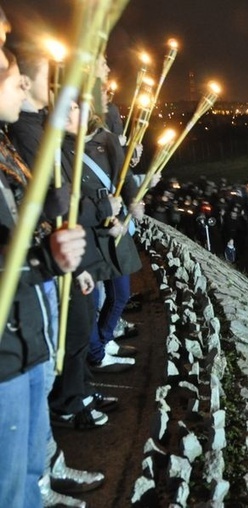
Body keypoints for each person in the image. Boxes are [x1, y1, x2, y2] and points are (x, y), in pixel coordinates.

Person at [0, 43, 87, 507]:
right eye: (5, 67)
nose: (20, 81)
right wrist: (42, 261)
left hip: (23, 334)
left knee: (28, 468)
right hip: (6, 351)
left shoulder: (5, 146)